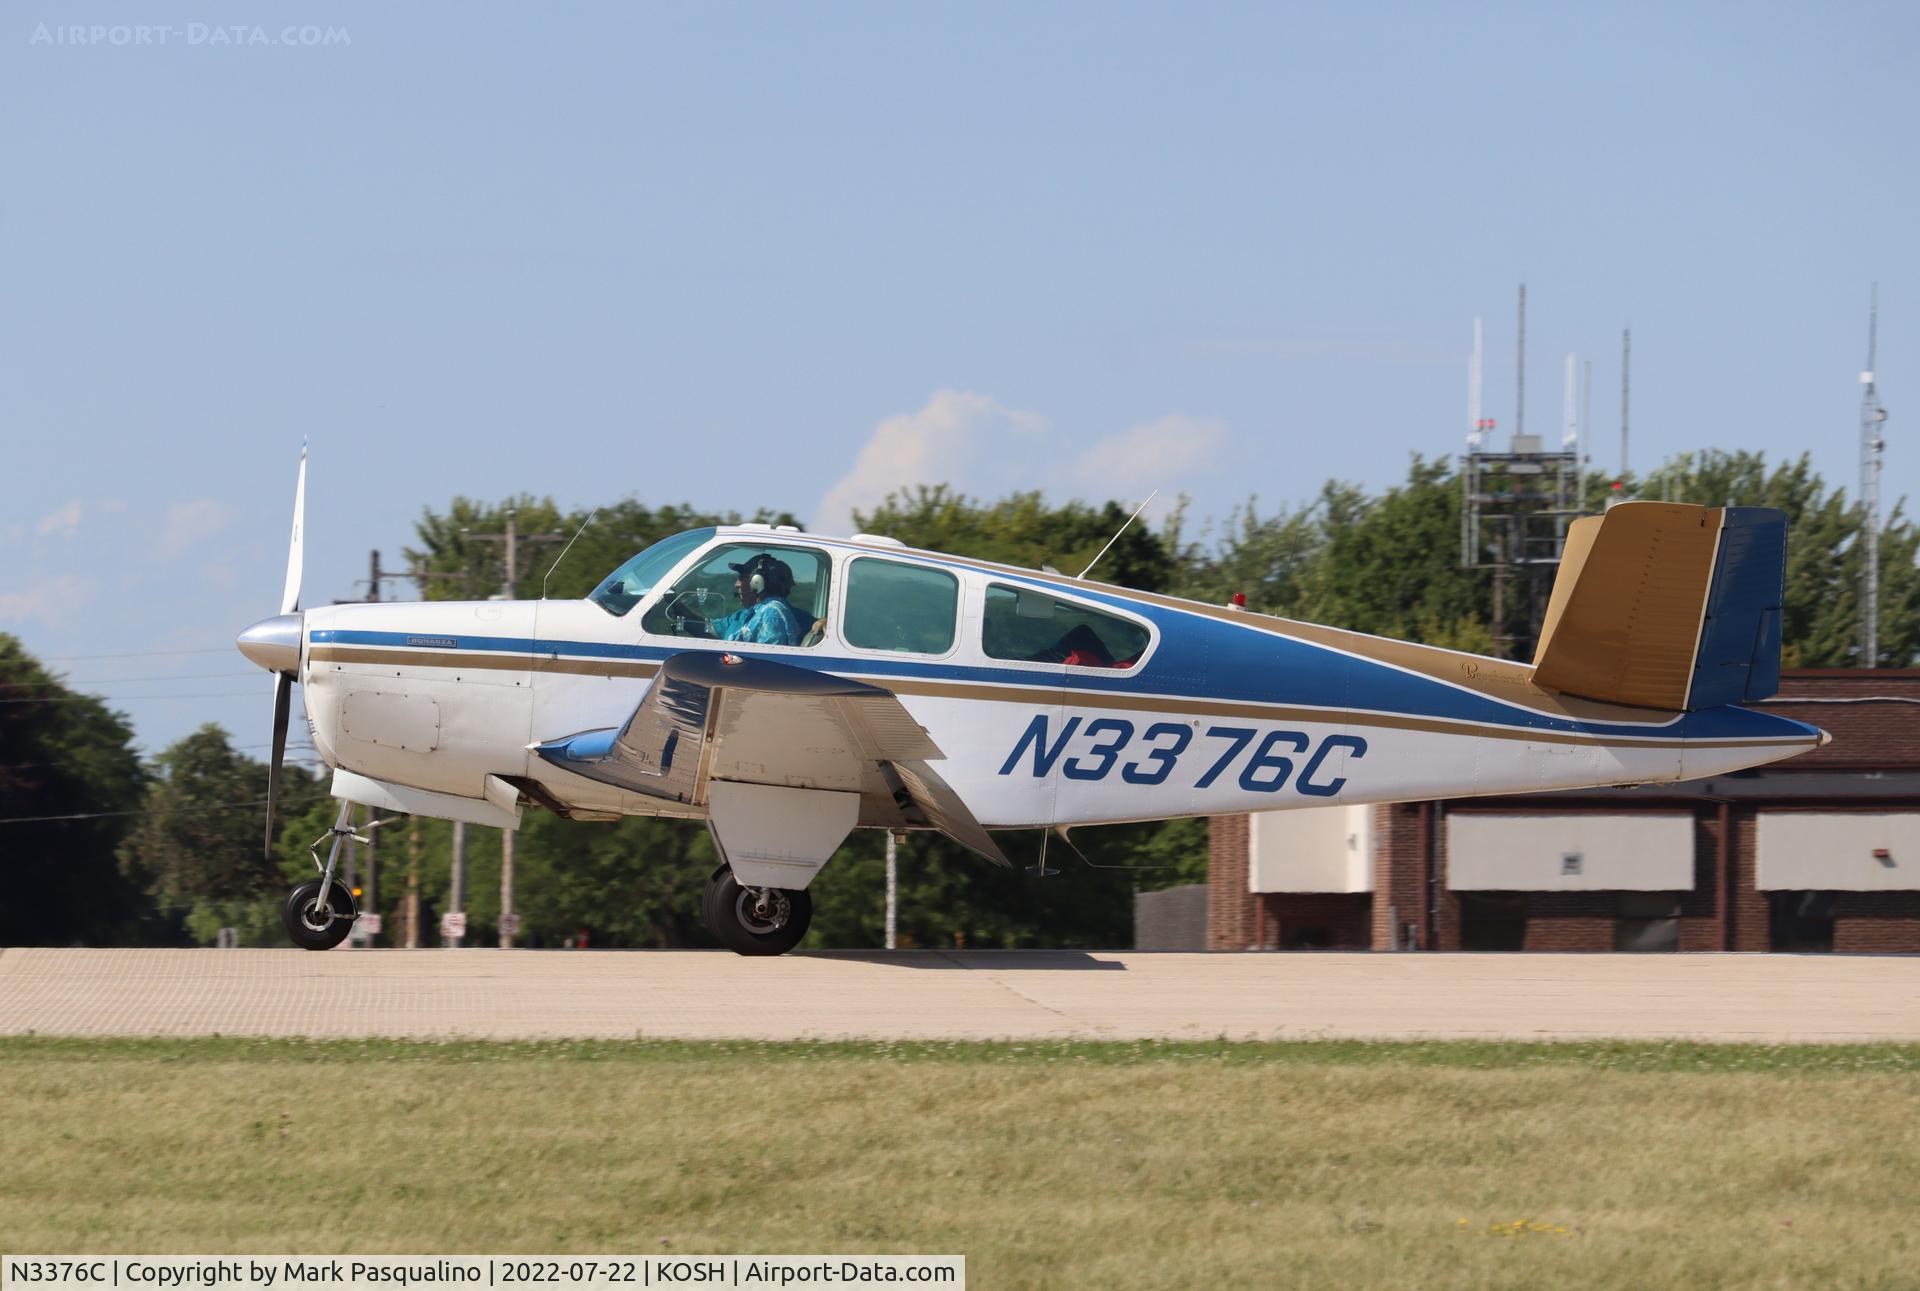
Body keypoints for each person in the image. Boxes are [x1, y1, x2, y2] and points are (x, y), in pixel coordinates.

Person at [708, 553, 812, 646]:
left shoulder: (774, 614)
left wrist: (823, 622)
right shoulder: (743, 615)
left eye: (741, 577)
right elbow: (707, 627)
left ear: (757, 582)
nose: (737, 584)